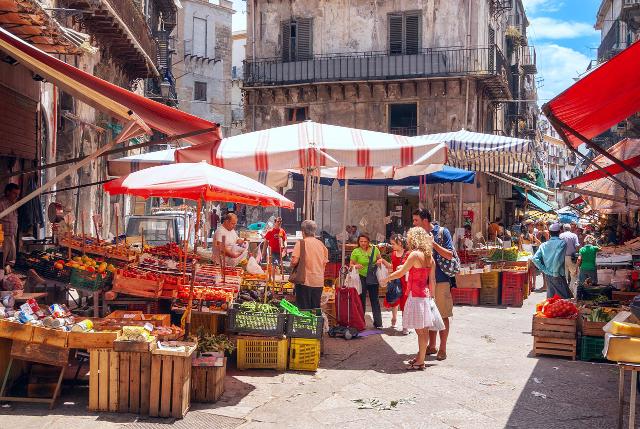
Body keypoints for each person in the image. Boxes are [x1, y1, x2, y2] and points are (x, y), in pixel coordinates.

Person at [384, 227, 443, 370]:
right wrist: (432, 298)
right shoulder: (430, 257)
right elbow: (432, 280)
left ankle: (420, 360)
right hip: (426, 295)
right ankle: (420, 358)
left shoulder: (415, 255)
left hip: (416, 296)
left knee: (420, 330)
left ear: (414, 239)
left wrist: (387, 278)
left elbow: (401, 272)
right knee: (423, 330)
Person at [412, 209, 454, 361]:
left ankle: (442, 348)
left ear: (425, 221)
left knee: (443, 314)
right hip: (424, 282)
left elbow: (449, 255)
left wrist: (433, 243)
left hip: (441, 280)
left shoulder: (443, 232)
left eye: (416, 220)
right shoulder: (417, 236)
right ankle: (432, 345)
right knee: (428, 315)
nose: (414, 223)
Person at [291, 220, 328, 310]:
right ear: (314, 231)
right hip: (318, 281)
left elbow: (294, 261)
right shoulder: (321, 245)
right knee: (315, 309)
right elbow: (324, 264)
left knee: (304, 309)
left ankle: (305, 324)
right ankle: (315, 324)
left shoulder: (301, 243)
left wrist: (292, 264)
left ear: (303, 231)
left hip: (304, 281)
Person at [377, 234, 409, 334]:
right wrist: (382, 261)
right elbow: (391, 266)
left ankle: (405, 325)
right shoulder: (394, 254)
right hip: (395, 279)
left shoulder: (408, 254)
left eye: (393, 244)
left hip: (405, 280)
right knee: (394, 300)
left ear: (400, 243)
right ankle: (394, 319)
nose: (392, 246)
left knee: (404, 302)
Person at [350, 233, 382, 329]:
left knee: (375, 300)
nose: (363, 243)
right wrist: (355, 266)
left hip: (372, 277)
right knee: (361, 300)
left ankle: (378, 323)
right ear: (358, 242)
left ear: (368, 241)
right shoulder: (356, 251)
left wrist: (378, 262)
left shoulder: (375, 249)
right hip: (361, 277)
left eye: (365, 241)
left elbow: (380, 259)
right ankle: (361, 323)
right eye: (361, 241)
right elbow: (351, 264)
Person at [532, 222, 572, 299]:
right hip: (557, 274)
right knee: (563, 300)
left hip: (548, 274)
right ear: (560, 232)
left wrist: (545, 270)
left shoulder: (543, 245)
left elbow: (535, 259)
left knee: (551, 299)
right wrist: (555, 272)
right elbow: (558, 259)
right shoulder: (562, 243)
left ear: (549, 233)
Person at [0, 183, 20, 267]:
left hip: (12, 236)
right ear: (8, 192)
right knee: (1, 260)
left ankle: (8, 278)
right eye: (14, 193)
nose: (16, 196)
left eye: (17, 194)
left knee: (11, 261)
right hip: (3, 237)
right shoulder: (1, 203)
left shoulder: (13, 204)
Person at [559, 223, 580, 297]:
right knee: (574, 275)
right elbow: (577, 246)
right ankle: (571, 290)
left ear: (564, 229)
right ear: (570, 228)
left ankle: (564, 292)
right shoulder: (574, 235)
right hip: (572, 257)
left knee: (564, 275)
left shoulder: (560, 236)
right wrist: (575, 253)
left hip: (562, 257)